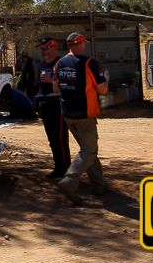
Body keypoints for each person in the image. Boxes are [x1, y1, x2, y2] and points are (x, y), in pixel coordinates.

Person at [53, 32, 108, 204]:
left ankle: (98, 185)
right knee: (89, 151)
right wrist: (105, 81)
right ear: (82, 44)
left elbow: (56, 89)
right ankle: (70, 181)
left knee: (88, 149)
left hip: (68, 114)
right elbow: (102, 90)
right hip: (85, 114)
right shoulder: (88, 63)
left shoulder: (59, 63)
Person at [36, 38, 70, 179]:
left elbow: (68, 84)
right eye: (41, 49)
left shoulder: (61, 63)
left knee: (60, 138)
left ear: (53, 48)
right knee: (52, 139)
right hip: (45, 104)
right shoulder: (43, 63)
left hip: (57, 105)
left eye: (45, 48)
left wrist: (52, 81)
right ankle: (58, 167)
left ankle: (66, 169)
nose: (42, 51)